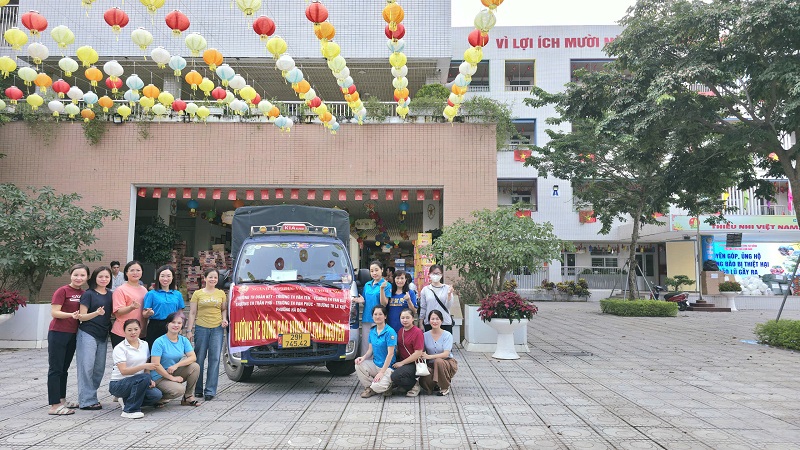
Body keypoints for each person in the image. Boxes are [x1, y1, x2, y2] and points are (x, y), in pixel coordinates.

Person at [47, 264, 89, 416]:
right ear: (70, 275)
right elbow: (55, 312)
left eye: (82, 275)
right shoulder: (62, 291)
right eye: (76, 274)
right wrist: (71, 315)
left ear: (87, 277)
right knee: (55, 369)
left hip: (73, 334)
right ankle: (54, 405)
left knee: (64, 369)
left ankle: (61, 400)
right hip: (58, 333)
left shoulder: (84, 293)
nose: (79, 278)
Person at [187, 268, 228, 400]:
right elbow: (192, 313)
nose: (213, 279)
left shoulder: (221, 293)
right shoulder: (197, 294)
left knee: (214, 359)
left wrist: (224, 319)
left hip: (217, 329)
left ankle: (210, 390)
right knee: (199, 358)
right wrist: (189, 330)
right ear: (204, 278)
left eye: (215, 277)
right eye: (210, 277)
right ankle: (198, 389)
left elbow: (223, 309)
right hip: (201, 328)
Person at [109, 319, 163, 419]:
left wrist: (149, 379)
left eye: (136, 329)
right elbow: (123, 371)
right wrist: (144, 367)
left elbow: (146, 367)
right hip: (119, 384)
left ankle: (126, 401)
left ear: (140, 330)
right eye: (129, 330)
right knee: (144, 377)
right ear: (124, 331)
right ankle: (129, 410)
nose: (133, 332)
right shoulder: (120, 348)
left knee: (156, 395)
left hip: (139, 381)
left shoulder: (144, 344)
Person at [76, 266, 113, 410]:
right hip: (87, 333)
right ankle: (86, 400)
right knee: (86, 367)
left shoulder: (110, 294)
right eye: (100, 276)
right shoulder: (88, 294)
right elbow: (81, 317)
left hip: (103, 335)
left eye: (107, 277)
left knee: (99, 369)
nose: (104, 279)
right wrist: (96, 313)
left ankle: (91, 396)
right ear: (94, 278)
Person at [150, 312, 202, 406]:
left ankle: (188, 397)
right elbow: (155, 365)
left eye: (179, 323)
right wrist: (172, 378)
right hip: (159, 376)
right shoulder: (159, 342)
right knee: (179, 390)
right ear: (167, 324)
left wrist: (177, 365)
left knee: (195, 366)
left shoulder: (183, 340)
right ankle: (157, 398)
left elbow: (193, 357)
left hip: (172, 370)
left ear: (182, 326)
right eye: (173, 322)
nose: (176, 325)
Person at [355, 305, 397, 398]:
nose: (377, 317)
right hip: (375, 364)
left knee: (377, 387)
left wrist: (382, 372)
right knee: (358, 365)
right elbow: (370, 350)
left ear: (385, 316)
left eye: (380, 314)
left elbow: (390, 354)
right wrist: (363, 357)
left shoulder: (390, 332)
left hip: (387, 367)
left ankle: (388, 385)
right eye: (375, 314)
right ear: (372, 316)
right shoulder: (372, 331)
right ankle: (369, 388)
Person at [354, 261, 390, 355]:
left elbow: (384, 303)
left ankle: (378, 362)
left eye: (376, 270)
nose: (374, 273)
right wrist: (361, 301)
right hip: (367, 317)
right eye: (372, 271)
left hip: (379, 318)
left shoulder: (386, 285)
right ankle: (365, 362)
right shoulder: (367, 285)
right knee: (366, 343)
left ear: (382, 270)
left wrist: (382, 289)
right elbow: (365, 300)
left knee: (378, 344)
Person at [143, 265, 185, 349]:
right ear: (158, 277)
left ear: (172, 277)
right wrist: (148, 313)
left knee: (171, 351)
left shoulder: (177, 294)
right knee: (154, 351)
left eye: (168, 276)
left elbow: (180, 313)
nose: (165, 279)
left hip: (172, 325)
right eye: (162, 276)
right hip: (155, 326)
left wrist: (180, 326)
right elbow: (144, 314)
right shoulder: (151, 294)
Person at [420, 310, 458, 396]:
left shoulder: (447, 335)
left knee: (438, 361)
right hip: (431, 364)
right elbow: (422, 351)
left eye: (437, 319)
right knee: (424, 381)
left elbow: (446, 354)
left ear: (441, 321)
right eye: (432, 319)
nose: (435, 321)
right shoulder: (425, 335)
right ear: (429, 321)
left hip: (446, 363)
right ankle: (435, 384)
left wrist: (429, 356)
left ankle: (445, 387)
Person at [110, 261, 148, 348]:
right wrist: (131, 307)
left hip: (140, 332)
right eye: (132, 270)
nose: (135, 273)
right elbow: (117, 312)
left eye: (138, 270)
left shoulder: (144, 290)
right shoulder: (120, 290)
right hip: (122, 333)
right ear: (126, 273)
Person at [390, 309, 424, 397]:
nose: (405, 320)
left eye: (407, 318)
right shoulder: (401, 331)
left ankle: (414, 384)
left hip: (414, 363)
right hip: (403, 361)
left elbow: (418, 353)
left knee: (395, 376)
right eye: (402, 318)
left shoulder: (417, 332)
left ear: (413, 318)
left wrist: (402, 363)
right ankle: (403, 385)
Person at [418, 264, 456, 333]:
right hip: (430, 322)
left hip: (445, 322)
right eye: (433, 273)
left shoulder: (447, 288)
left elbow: (448, 306)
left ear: (442, 275)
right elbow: (423, 308)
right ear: (429, 274)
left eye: (438, 273)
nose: (435, 275)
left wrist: (449, 294)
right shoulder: (425, 290)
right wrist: (421, 323)